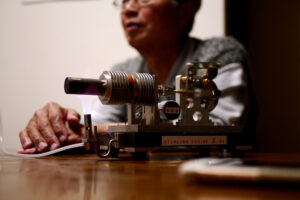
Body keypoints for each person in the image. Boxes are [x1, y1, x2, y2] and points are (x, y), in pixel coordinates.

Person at [19, 0, 254, 154]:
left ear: (184, 10)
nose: (128, 9)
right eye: (122, 1)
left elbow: (223, 127)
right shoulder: (127, 70)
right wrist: (66, 130)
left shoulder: (220, 54)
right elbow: (98, 128)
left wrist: (95, 133)